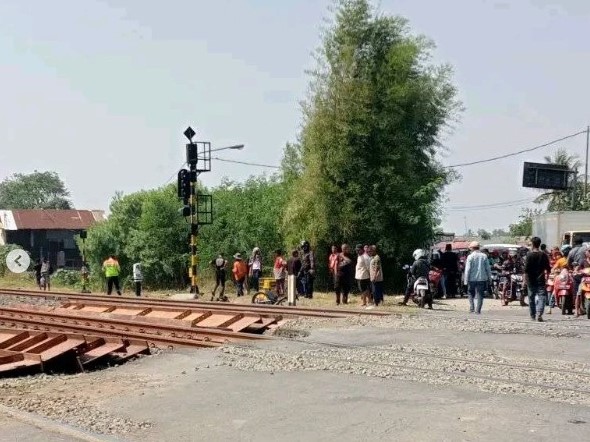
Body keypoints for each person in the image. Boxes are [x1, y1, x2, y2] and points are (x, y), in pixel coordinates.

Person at [524, 237, 551, 321]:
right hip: (540, 280)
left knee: (531, 298)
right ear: (539, 244)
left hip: (530, 280)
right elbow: (548, 269)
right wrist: (547, 278)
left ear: (532, 244)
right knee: (542, 297)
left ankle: (532, 315)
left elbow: (526, 270)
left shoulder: (529, 255)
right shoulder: (543, 255)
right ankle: (539, 313)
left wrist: (524, 280)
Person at [464, 241, 491, 314]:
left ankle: (472, 308)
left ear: (471, 248)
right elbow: (488, 269)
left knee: (470, 293)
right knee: (480, 295)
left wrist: (465, 280)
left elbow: (467, 270)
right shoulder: (484, 256)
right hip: (482, 278)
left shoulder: (470, 256)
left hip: (471, 279)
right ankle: (478, 310)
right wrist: (489, 279)